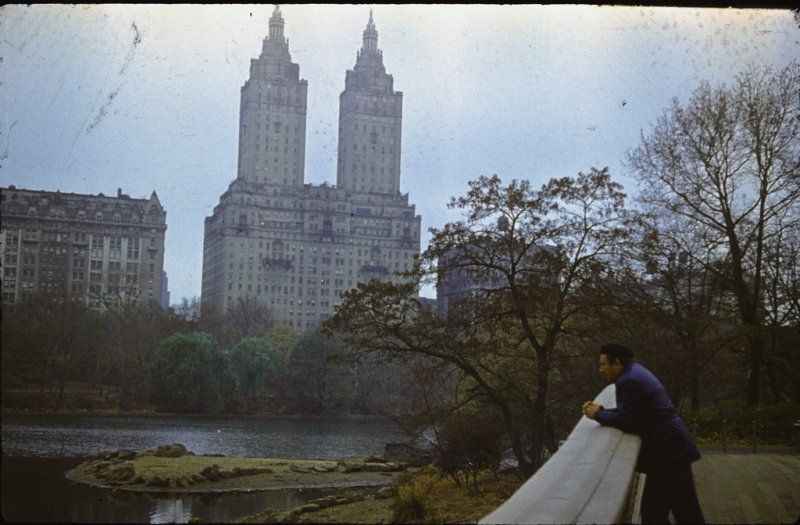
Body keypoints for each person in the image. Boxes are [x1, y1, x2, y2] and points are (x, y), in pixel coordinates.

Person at [583, 343, 705, 525]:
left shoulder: (629, 380)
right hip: (668, 450)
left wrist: (597, 414)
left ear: (616, 363)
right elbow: (632, 412)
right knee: (655, 513)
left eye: (603, 364)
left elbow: (628, 421)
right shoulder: (634, 372)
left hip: (669, 452)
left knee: (684, 512)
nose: (601, 370)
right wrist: (603, 410)